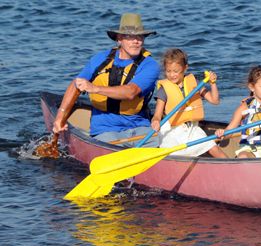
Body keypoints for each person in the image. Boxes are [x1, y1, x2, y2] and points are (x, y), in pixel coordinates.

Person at [52, 13, 160, 147]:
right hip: (105, 130)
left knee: (157, 143)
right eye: (130, 36)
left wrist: (94, 88)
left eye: (140, 36)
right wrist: (59, 118)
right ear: (119, 39)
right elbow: (76, 84)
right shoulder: (100, 59)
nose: (136, 41)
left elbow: (130, 92)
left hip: (140, 128)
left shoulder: (150, 65)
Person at [151, 48, 227, 158]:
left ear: (185, 68)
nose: (172, 75)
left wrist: (213, 83)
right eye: (168, 71)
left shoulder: (193, 83)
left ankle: (235, 170)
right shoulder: (164, 89)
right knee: (174, 156)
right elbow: (157, 115)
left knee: (214, 149)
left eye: (176, 71)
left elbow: (214, 101)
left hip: (192, 128)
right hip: (172, 131)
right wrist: (155, 121)